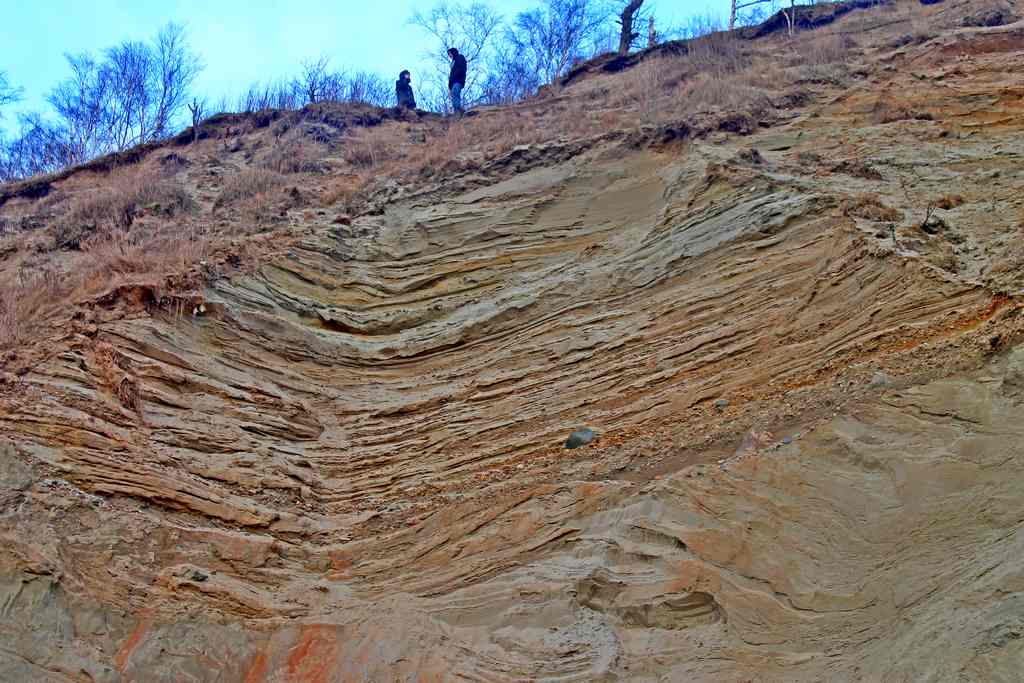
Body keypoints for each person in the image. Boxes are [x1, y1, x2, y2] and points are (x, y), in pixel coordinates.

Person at [447, 47, 467, 114]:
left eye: (450, 54)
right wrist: (449, 84)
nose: (449, 56)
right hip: (454, 82)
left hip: (458, 80)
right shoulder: (453, 62)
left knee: (455, 93)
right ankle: (456, 112)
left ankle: (459, 110)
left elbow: (461, 69)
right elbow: (451, 74)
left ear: (453, 52)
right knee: (453, 94)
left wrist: (455, 77)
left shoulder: (460, 57)